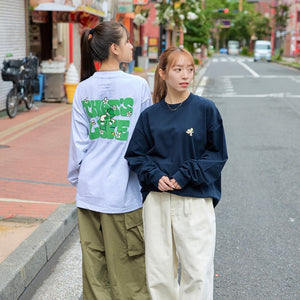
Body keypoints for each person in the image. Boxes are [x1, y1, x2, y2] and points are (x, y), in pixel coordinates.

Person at [125, 46, 228, 300]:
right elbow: (136, 155)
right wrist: (155, 176)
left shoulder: (206, 109)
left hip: (195, 200)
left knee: (197, 272)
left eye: (190, 69)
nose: (185, 75)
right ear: (162, 73)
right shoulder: (150, 116)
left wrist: (183, 175)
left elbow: (216, 155)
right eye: (178, 69)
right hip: (157, 202)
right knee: (159, 274)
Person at [67, 21, 152, 300]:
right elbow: (146, 142)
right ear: (114, 49)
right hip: (122, 195)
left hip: (89, 193)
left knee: (95, 276)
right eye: (127, 42)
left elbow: (78, 147)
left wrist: (83, 181)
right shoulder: (138, 86)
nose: (131, 46)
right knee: (129, 277)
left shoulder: (83, 89)